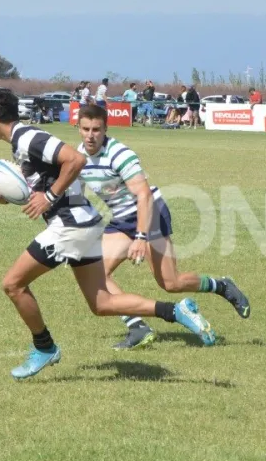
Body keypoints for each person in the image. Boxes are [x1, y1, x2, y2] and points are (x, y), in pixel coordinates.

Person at [0, 89, 215, 379]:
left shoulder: (28, 137)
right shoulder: (22, 142)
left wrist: (50, 197)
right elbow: (39, 188)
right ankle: (175, 311)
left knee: (13, 285)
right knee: (102, 304)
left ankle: (44, 347)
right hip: (84, 224)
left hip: (69, 227)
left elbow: (74, 162)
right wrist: (6, 196)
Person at [75, 105, 251, 348]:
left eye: (96, 129)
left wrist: (140, 236)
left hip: (150, 213)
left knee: (170, 283)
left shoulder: (119, 154)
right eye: (85, 129)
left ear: (106, 128)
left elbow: (144, 195)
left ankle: (221, 285)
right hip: (121, 219)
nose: (90, 135)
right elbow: (71, 192)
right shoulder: (78, 157)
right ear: (78, 128)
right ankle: (137, 327)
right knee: (97, 276)